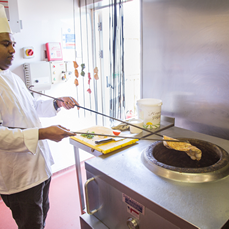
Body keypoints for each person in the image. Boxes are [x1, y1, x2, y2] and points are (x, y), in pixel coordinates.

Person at [0, 4, 79, 229]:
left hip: (39, 169)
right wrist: (43, 133)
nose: (13, 50)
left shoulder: (11, 77)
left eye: (13, 44)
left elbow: (31, 108)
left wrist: (57, 103)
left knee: (42, 217)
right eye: (6, 44)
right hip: (20, 179)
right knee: (31, 225)